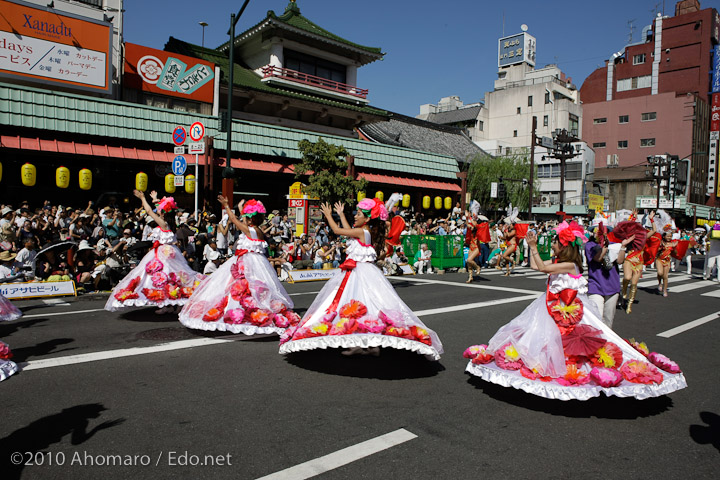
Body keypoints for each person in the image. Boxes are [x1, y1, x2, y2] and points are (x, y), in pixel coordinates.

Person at [464, 221, 687, 400]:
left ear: (564, 246)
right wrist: (531, 248)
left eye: (555, 244)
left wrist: (532, 247)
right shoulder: (562, 262)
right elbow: (536, 267)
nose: (552, 246)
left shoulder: (571, 265)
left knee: (577, 347)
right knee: (535, 339)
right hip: (552, 307)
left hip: (568, 311)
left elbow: (541, 267)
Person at [279, 198, 443, 359]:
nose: (355, 216)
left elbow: (337, 231)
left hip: (359, 272)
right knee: (358, 304)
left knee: (357, 304)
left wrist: (329, 215)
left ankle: (362, 342)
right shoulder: (362, 231)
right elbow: (347, 229)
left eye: (358, 214)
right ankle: (362, 344)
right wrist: (341, 214)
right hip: (355, 271)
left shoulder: (362, 232)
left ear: (367, 218)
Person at [179, 197, 299, 336]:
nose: (245, 219)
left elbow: (235, 221)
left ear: (250, 219)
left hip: (248, 261)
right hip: (256, 261)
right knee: (253, 287)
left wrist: (227, 205)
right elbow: (242, 221)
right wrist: (242, 209)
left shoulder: (251, 230)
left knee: (240, 286)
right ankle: (248, 308)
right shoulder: (257, 230)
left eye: (247, 217)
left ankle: (241, 311)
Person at [105, 190, 205, 315]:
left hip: (164, 253)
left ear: (164, 214)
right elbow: (159, 210)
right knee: (171, 278)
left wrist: (142, 198)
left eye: (161, 211)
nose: (159, 212)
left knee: (163, 278)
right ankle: (173, 304)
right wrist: (156, 200)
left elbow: (149, 212)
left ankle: (169, 304)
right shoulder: (170, 223)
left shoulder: (163, 223)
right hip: (167, 252)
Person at [585, 225, 633, 328]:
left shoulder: (614, 245)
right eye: (596, 232)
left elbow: (620, 261)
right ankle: (596, 342)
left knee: (608, 321)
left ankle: (606, 343)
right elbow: (598, 258)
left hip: (612, 286)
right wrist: (604, 247)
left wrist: (623, 246)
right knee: (596, 319)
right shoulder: (590, 246)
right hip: (595, 286)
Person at [655, 229, 678, 297]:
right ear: (664, 236)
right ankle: (659, 283)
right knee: (660, 273)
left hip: (667, 261)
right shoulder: (661, 242)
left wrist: (674, 248)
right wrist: (661, 247)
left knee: (665, 276)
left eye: (670, 236)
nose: (669, 238)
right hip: (659, 260)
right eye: (667, 236)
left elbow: (675, 253)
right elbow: (656, 250)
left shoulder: (672, 243)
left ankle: (665, 290)